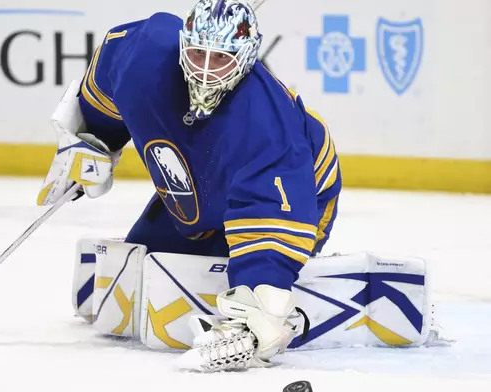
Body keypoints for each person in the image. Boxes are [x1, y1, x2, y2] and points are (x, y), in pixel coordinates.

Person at [37, 0, 341, 371]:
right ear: (184, 43)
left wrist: (259, 311)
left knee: (260, 293)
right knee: (144, 266)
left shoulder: (267, 130)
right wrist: (95, 139)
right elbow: (109, 70)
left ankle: (290, 290)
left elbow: (272, 213)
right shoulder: (144, 54)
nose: (206, 73)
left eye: (221, 60)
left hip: (304, 187)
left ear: (245, 58)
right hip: (202, 184)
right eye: (198, 54)